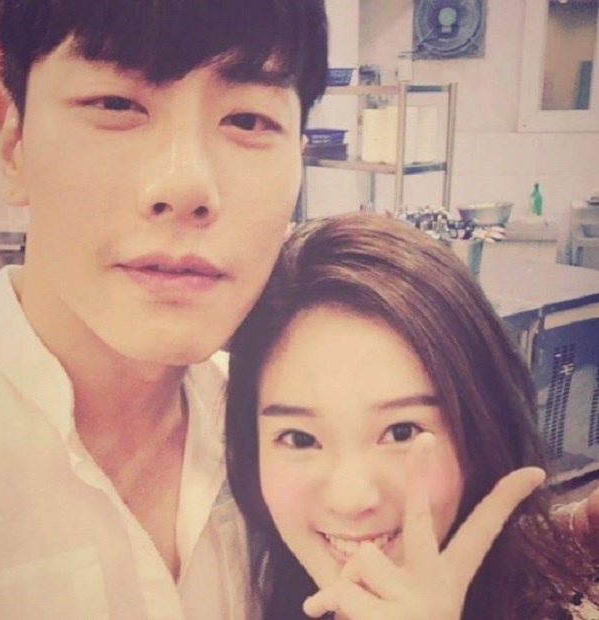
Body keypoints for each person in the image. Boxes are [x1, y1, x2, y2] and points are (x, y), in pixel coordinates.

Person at [0, 1, 327, 618]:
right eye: (116, 105)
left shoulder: (291, 444)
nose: (185, 186)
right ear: (13, 140)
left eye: (248, 119)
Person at [225, 212, 599, 620]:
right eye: (300, 438)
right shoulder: (236, 580)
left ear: (480, 432)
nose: (351, 500)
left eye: (402, 432)